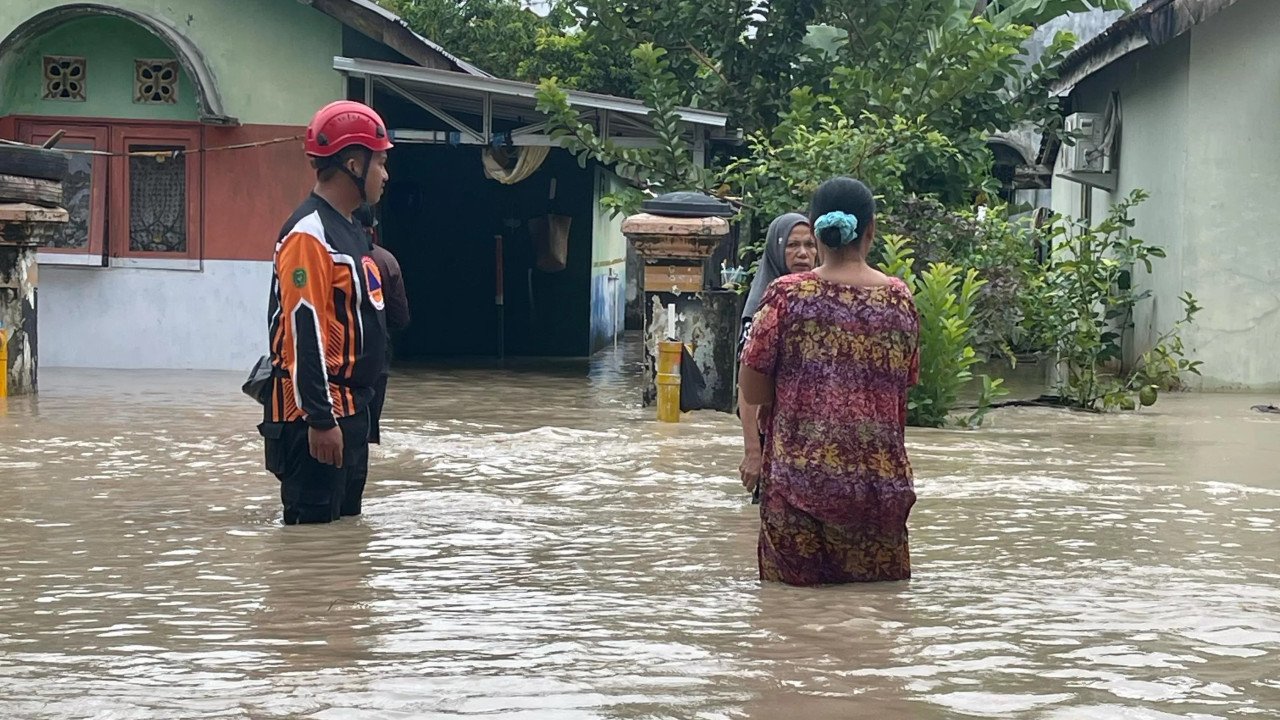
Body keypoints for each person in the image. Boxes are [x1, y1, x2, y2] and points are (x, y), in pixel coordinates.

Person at [739, 177, 920, 586]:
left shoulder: (786, 295)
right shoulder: (899, 299)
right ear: (871, 230)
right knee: (878, 621)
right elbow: (903, 382)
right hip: (879, 491)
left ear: (817, 231)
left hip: (798, 489)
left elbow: (752, 389)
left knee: (791, 624)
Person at [258, 100, 393, 525]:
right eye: (381, 162)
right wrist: (320, 418)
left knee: (342, 549)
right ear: (354, 163)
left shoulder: (351, 227)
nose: (385, 175)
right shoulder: (309, 235)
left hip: (350, 413)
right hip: (314, 421)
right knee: (310, 540)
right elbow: (305, 329)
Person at [738, 213, 817, 501]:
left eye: (810, 245)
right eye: (792, 245)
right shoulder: (761, 307)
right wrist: (753, 452)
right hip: (773, 443)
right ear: (775, 249)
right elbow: (747, 384)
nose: (803, 253)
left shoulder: (822, 300)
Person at [353, 202, 411, 444]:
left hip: (336, 356)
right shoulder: (386, 261)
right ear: (373, 231)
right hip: (377, 353)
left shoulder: (328, 256)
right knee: (369, 432)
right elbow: (400, 318)